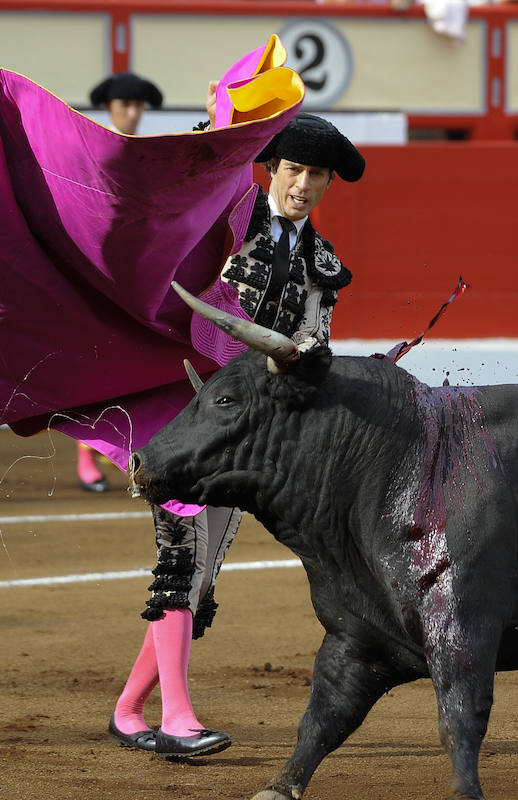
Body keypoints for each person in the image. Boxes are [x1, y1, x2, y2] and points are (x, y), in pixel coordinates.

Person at [107, 111, 366, 759]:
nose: (304, 184)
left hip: (245, 439)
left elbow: (311, 354)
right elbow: (197, 179)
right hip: (181, 422)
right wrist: (216, 132)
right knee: (180, 562)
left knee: (198, 581)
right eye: (294, 169)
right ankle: (179, 719)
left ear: (330, 184)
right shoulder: (236, 214)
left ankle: (129, 710)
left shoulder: (323, 264)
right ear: (271, 170)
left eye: (318, 175)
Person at [74, 71, 166, 493]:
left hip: (135, 271)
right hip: (95, 267)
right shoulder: (91, 146)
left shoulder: (146, 154)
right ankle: (88, 451)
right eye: (124, 105)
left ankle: (115, 447)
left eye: (137, 106)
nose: (132, 113)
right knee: (95, 359)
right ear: (109, 108)